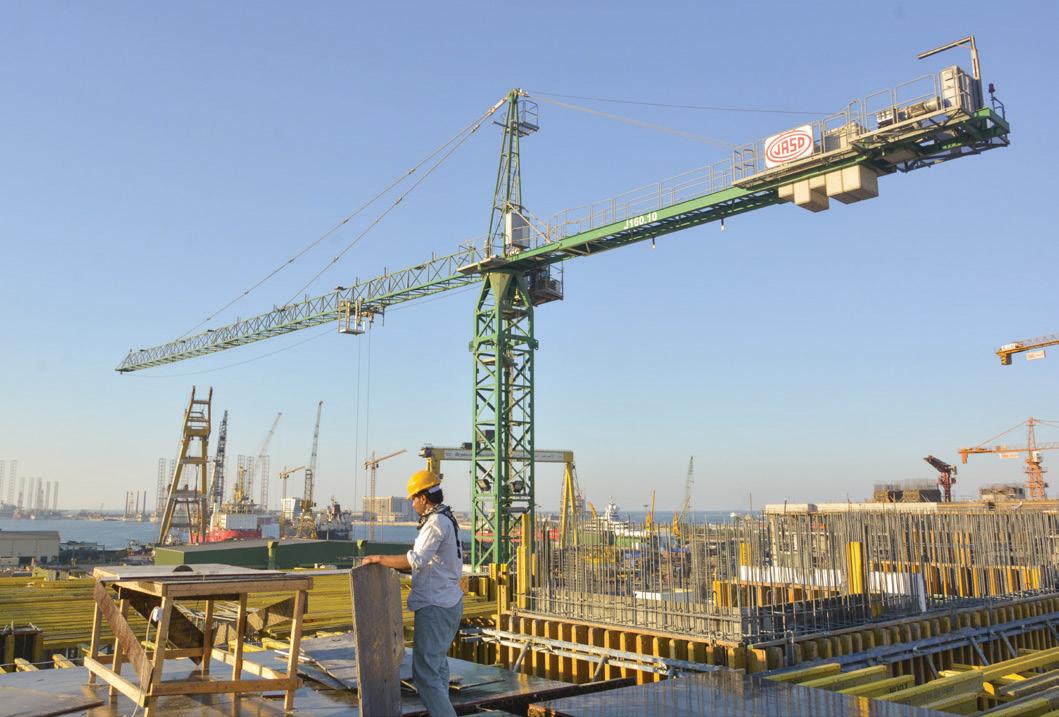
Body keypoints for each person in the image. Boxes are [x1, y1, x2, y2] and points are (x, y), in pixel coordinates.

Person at [362, 470, 463, 717]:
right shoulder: (446, 519)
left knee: (425, 676)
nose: (411, 503)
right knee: (437, 668)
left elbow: (416, 560)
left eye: (413, 498)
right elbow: (429, 564)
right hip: (448, 601)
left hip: (436, 605)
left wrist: (378, 559)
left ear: (423, 498)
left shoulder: (436, 523)